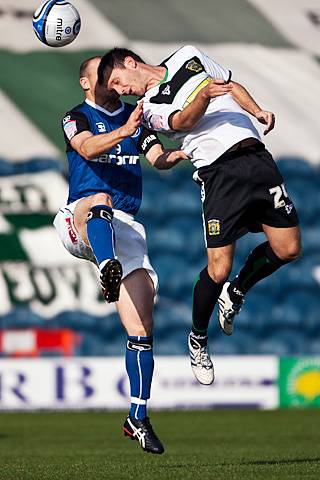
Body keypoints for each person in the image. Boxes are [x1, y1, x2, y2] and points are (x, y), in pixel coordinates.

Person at [97, 46, 301, 385]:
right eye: (115, 90)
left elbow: (229, 86)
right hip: (218, 172)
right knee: (218, 268)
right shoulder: (147, 109)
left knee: (289, 249)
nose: (121, 91)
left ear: (130, 63)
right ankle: (198, 339)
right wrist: (204, 95)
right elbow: (182, 121)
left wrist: (257, 110)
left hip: (255, 156)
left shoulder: (189, 55)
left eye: (118, 81)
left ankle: (237, 292)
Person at [53, 56, 187, 454]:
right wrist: (124, 130)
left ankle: (137, 416)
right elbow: (87, 148)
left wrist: (176, 156)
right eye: (99, 73)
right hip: (81, 218)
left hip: (126, 227)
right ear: (84, 82)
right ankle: (107, 264)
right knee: (100, 198)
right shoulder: (75, 116)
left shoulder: (136, 115)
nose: (110, 79)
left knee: (142, 329)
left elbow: (155, 156)